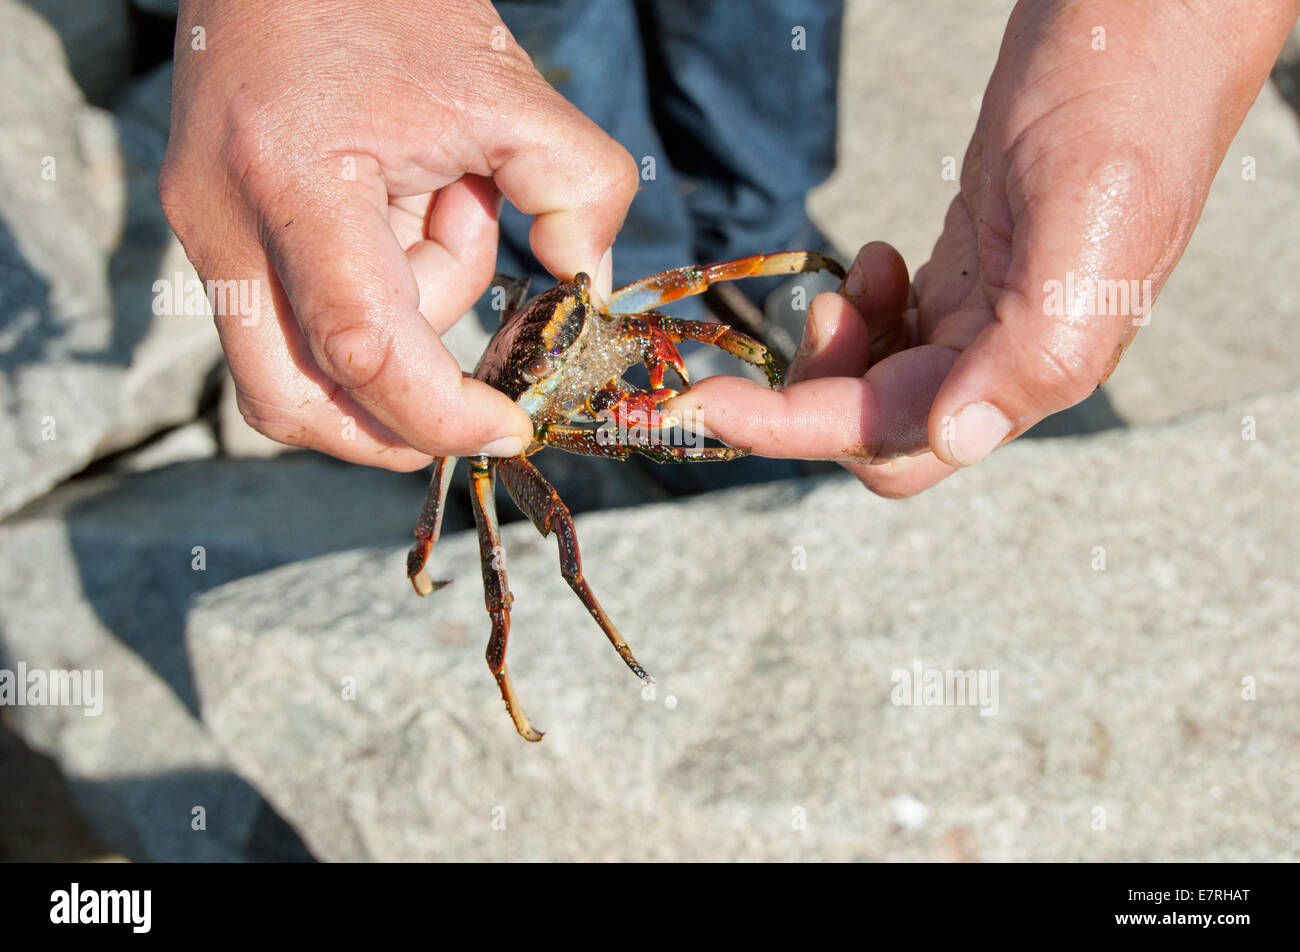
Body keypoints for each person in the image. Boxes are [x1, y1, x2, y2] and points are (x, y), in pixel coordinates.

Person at [160, 0, 1300, 499]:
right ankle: (682, 393)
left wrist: (1172, 30)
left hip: (593, 319)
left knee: (750, 72)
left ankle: (761, 238)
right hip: (552, 388)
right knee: (565, 127)